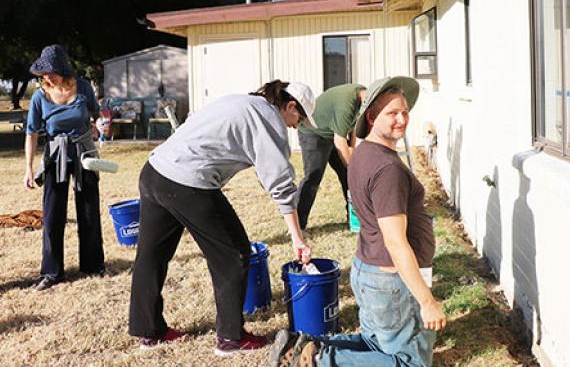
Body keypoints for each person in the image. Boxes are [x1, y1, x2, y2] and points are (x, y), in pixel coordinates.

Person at [128, 80, 317, 354]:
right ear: (290, 106)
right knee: (233, 253)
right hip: (187, 181)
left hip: (155, 171)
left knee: (151, 255)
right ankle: (231, 338)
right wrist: (297, 238)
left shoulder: (242, 101)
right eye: (299, 119)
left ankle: (150, 331)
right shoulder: (268, 118)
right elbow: (279, 181)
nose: (296, 126)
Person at [271, 76, 446, 367]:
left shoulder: (364, 153)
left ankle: (308, 346)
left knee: (375, 343)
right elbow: (395, 242)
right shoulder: (388, 169)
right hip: (391, 280)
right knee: (410, 363)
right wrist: (427, 301)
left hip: (369, 271)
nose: (402, 119)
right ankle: (318, 359)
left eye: (405, 111)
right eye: (392, 113)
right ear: (372, 117)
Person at [23, 44, 105, 291]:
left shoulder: (83, 87)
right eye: (43, 73)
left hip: (84, 153)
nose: (46, 77)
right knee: (53, 214)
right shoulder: (40, 96)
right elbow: (31, 133)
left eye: (50, 72)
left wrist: (101, 123)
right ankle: (51, 272)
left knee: (89, 210)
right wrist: (28, 168)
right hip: (55, 155)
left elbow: (96, 115)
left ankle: (93, 265)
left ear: (62, 69)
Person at [296, 83, 366, 230]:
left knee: (348, 175)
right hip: (313, 132)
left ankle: (355, 219)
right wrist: (354, 169)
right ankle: (298, 226)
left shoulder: (362, 100)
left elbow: (353, 126)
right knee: (313, 177)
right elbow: (340, 142)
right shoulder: (346, 103)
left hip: (333, 133)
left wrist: (352, 158)